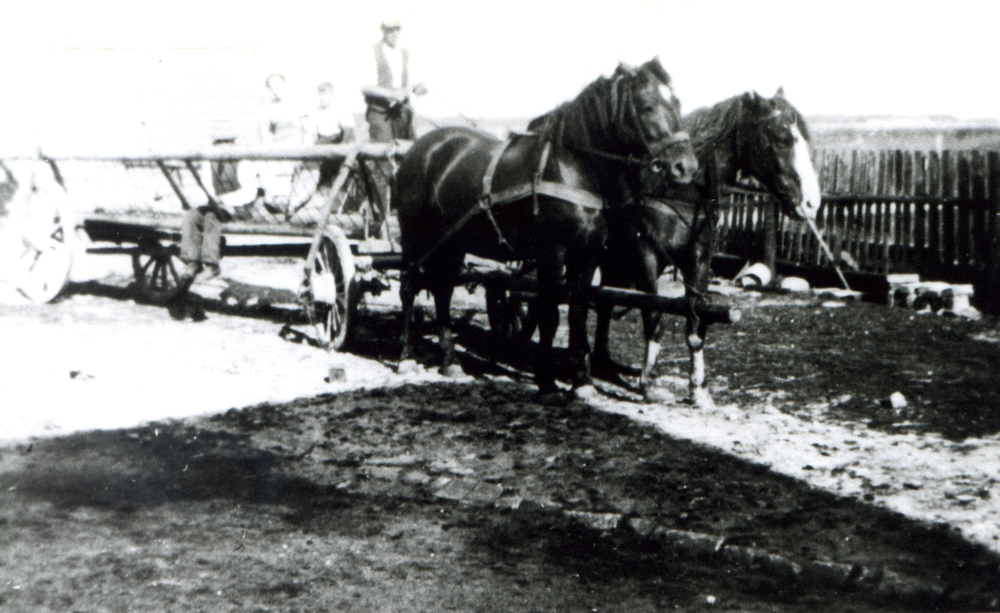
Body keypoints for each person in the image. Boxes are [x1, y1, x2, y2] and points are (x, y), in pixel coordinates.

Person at [362, 19, 427, 142]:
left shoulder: (405, 52)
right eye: (390, 30)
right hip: (380, 113)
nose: (395, 34)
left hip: (402, 112)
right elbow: (365, 86)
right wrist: (392, 94)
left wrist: (419, 89)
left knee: (410, 152)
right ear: (383, 30)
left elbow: (414, 82)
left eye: (398, 29)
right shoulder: (372, 52)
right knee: (383, 153)